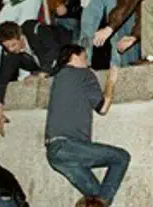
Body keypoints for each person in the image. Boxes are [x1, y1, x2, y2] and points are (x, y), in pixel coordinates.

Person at [45, 45, 130, 206]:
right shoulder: (83, 73)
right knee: (121, 157)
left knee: (96, 197)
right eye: (84, 57)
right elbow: (103, 108)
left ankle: (101, 203)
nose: (87, 62)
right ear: (74, 57)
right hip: (69, 145)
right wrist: (111, 80)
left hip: (54, 153)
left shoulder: (58, 76)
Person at [0, 20, 71, 136]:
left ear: (21, 37)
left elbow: (54, 51)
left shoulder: (35, 29)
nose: (11, 49)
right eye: (7, 46)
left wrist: (40, 74)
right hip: (46, 67)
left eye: (13, 45)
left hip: (67, 48)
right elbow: (1, 80)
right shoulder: (9, 52)